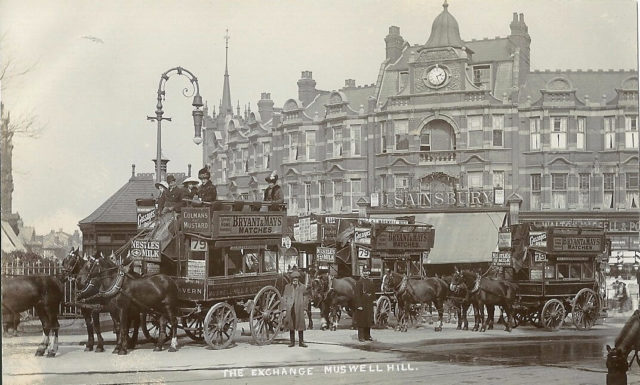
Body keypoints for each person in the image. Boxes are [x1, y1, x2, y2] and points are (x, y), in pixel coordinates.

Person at [281, 269, 308, 347]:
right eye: (293, 279)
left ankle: (301, 342)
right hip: (290, 308)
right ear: (291, 279)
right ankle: (292, 342)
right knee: (291, 325)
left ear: (298, 279)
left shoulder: (303, 287)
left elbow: (306, 298)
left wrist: (305, 309)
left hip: (299, 308)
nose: (295, 281)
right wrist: (284, 309)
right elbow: (284, 298)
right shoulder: (287, 287)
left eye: (296, 279)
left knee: (300, 325)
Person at [354, 266, 375, 342]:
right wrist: (359, 305)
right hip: (362, 304)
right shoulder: (359, 282)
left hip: (369, 304)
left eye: (367, 271)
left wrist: (373, 301)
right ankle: (361, 336)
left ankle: (368, 335)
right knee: (361, 320)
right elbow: (357, 295)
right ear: (362, 273)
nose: (366, 273)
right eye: (365, 272)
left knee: (368, 320)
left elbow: (373, 293)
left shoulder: (371, 282)